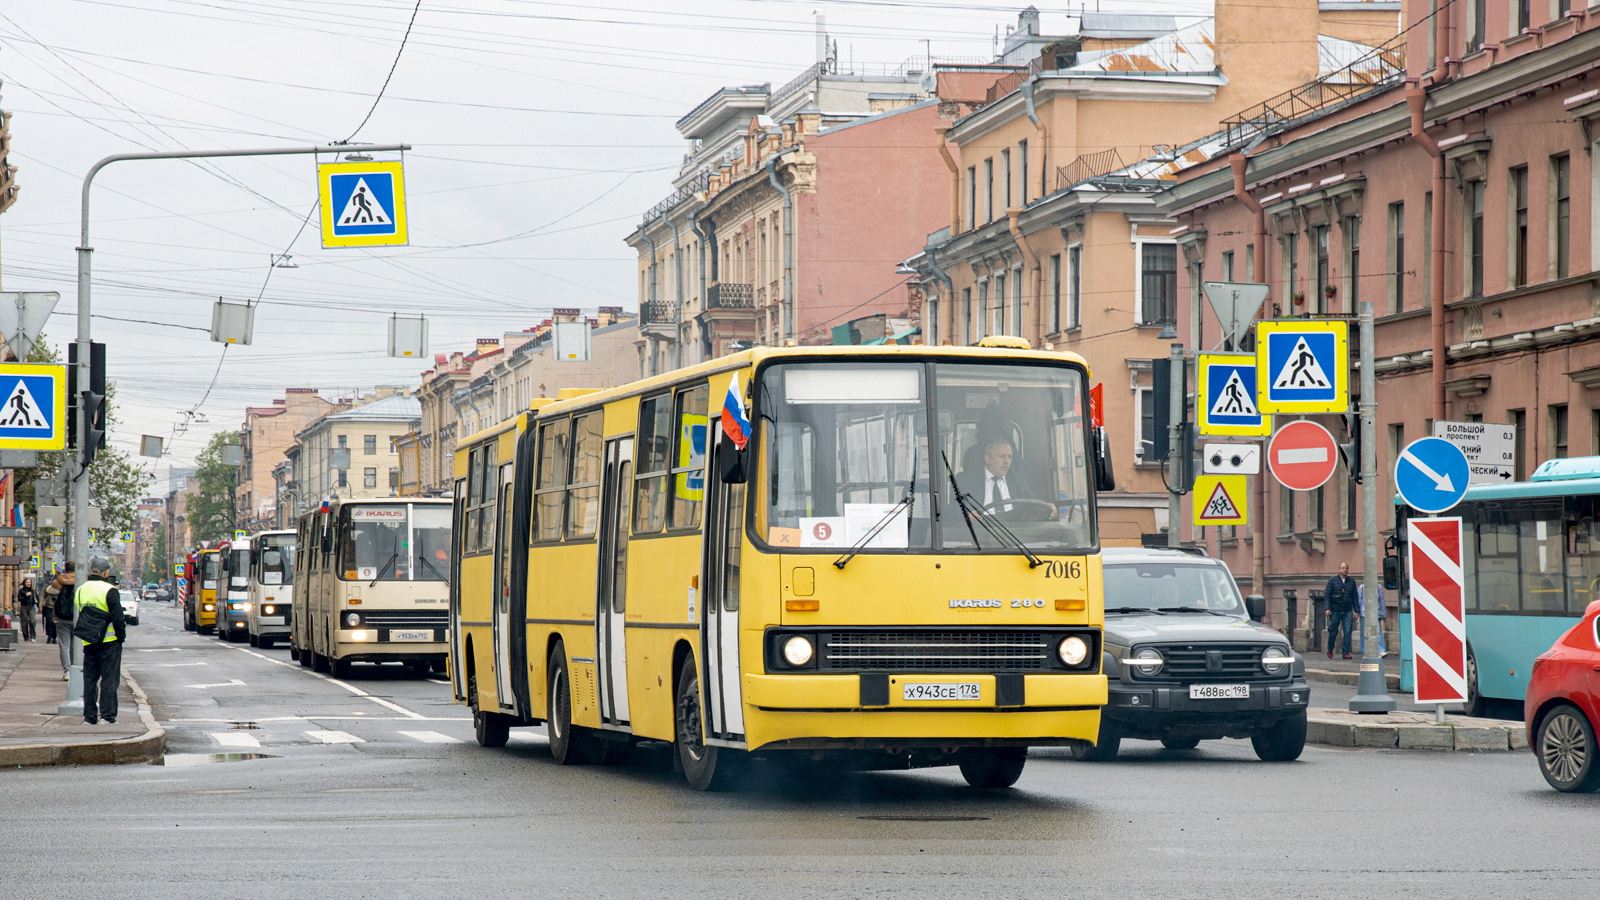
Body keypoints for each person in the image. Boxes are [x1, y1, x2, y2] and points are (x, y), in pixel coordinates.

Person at [71, 559, 126, 725]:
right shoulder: (110, 589)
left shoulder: (81, 590)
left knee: (90, 680)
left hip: (89, 642)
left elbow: (82, 611)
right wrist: (121, 637)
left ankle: (89, 717)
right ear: (105, 573)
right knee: (109, 680)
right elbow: (118, 618)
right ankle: (107, 717)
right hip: (109, 643)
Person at [956, 436, 1043, 512]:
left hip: (1014, 528)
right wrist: (967, 514)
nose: (1007, 462)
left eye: (1009, 457)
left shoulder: (1017, 480)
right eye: (1002, 456)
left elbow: (1032, 502)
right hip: (981, 528)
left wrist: (1047, 507)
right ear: (988, 458)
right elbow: (952, 510)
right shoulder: (966, 480)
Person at [43, 565, 76, 679]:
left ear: (65, 569)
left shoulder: (59, 582)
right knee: (75, 645)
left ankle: (67, 672)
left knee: (64, 645)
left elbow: (48, 591)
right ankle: (74, 669)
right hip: (76, 618)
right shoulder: (81, 581)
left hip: (61, 617)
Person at [1324, 562, 1359, 660]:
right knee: (1333, 631)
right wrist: (1327, 608)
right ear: (1339, 569)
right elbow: (1327, 596)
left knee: (1347, 631)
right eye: (1343, 568)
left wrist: (1356, 611)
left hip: (1347, 610)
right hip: (1335, 610)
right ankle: (1330, 648)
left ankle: (1345, 652)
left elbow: (1354, 597)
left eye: (1346, 568)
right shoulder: (1332, 580)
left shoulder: (1351, 582)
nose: (1345, 570)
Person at [1358, 580, 1387, 656]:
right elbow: (1359, 600)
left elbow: (1381, 600)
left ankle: (1381, 650)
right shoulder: (1362, 587)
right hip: (1364, 613)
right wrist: (1356, 612)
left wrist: (1383, 613)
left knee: (1378, 632)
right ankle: (1364, 651)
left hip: (1376, 612)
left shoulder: (1378, 587)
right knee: (1363, 632)